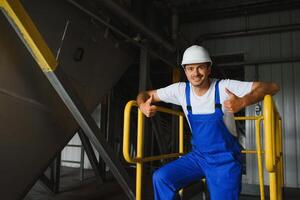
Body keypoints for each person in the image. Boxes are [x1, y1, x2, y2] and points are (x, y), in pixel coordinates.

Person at [136, 45, 279, 200]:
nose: (195, 73)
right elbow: (143, 94)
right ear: (185, 71)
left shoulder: (224, 87)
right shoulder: (180, 90)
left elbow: (272, 87)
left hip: (225, 160)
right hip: (199, 157)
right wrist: (142, 105)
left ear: (209, 69)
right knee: (161, 178)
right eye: (190, 68)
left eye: (200, 68)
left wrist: (243, 101)